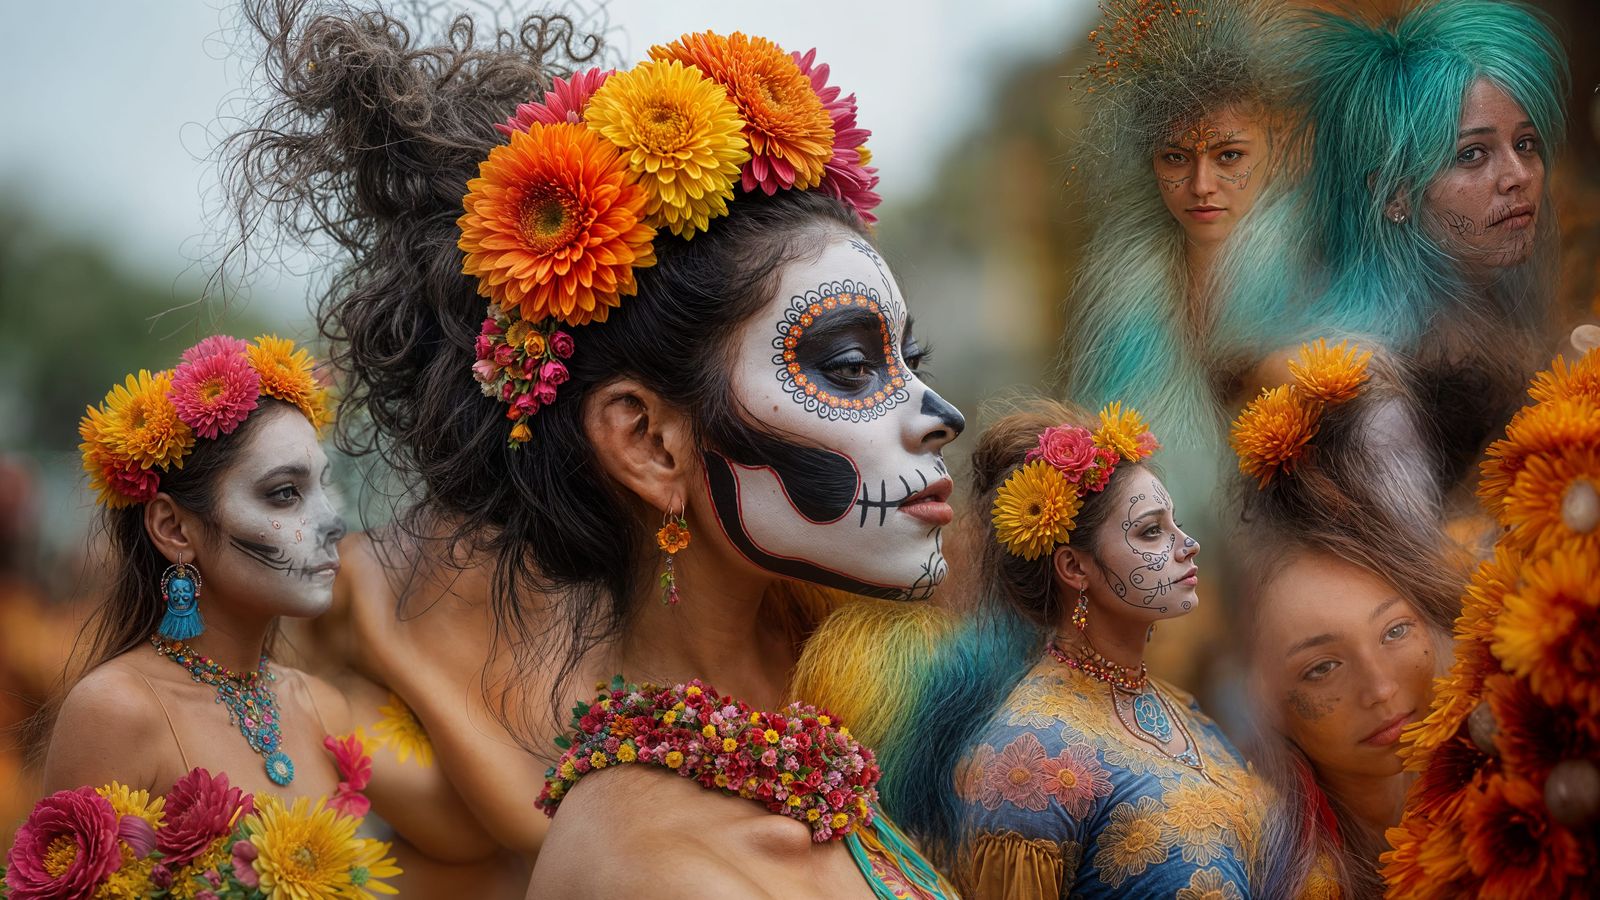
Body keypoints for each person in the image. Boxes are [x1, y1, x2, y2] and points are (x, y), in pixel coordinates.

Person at [229, 2, 961, 894]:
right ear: (650, 443)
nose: (939, 415)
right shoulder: (644, 868)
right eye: (849, 366)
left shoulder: (822, 779)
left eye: (909, 361)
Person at [814, 399, 1260, 898]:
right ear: (1074, 568)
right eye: (1152, 531)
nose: (1188, 544)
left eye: (1173, 524)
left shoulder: (1180, 707)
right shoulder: (1028, 756)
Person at [1211, 0, 1570, 494]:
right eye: (1471, 153)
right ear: (1394, 195)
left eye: (1526, 144)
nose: (1518, 176)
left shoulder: (1505, 310)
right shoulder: (1364, 396)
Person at [1227, 338, 1463, 898]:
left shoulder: (1516, 778)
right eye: (1322, 668)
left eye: (1395, 632)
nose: (1380, 690)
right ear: (1264, 696)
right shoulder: (1264, 871)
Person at [1062, 0, 1286, 459]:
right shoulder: (1126, 300)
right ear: (1152, 162)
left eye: (1229, 156)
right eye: (1176, 158)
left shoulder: (1320, 263)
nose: (1201, 186)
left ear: (1276, 147)